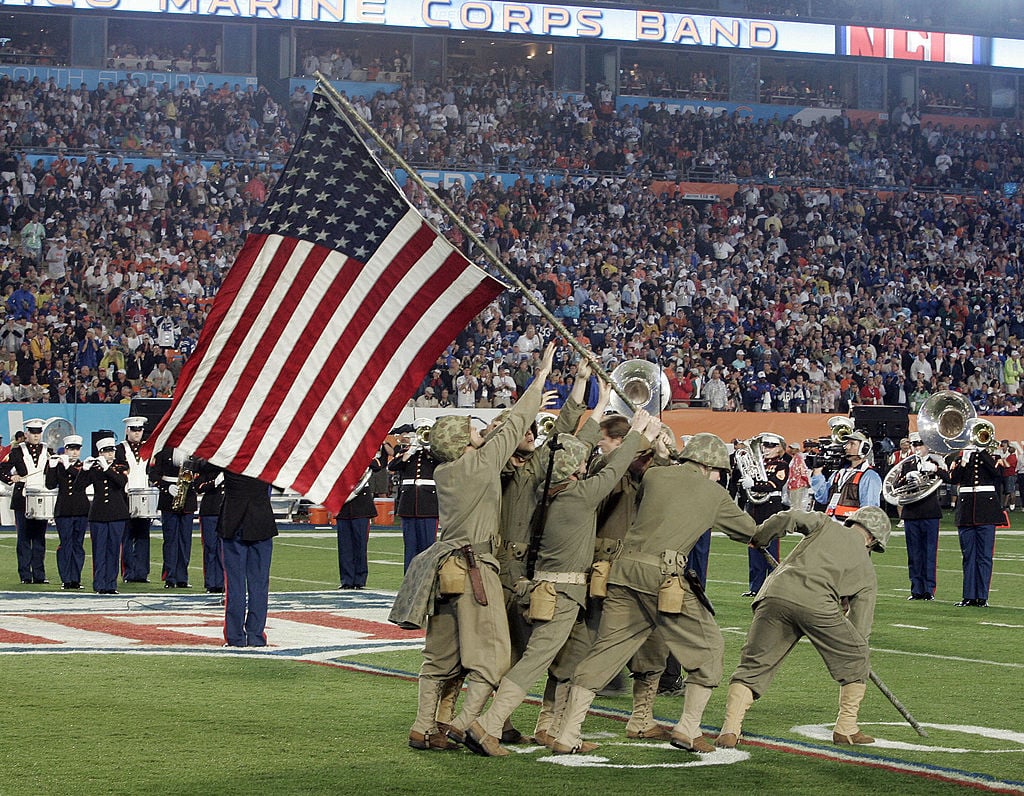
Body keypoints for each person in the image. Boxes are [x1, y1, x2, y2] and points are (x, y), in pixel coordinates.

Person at [464, 412, 661, 757]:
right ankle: (487, 725)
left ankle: (557, 731)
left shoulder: (552, 496)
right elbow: (614, 469)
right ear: (575, 469)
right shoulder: (578, 497)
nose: (587, 466)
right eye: (583, 462)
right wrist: (640, 433)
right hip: (564, 594)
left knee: (575, 656)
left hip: (557, 591)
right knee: (535, 661)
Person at [548, 433, 757, 755]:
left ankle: (567, 733)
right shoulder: (714, 493)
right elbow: (750, 532)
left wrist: (664, 458)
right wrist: (788, 522)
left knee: (605, 653)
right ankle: (688, 728)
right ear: (706, 465)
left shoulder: (655, 474)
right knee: (709, 649)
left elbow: (659, 489)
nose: (718, 476)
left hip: (621, 573)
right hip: (663, 578)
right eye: (717, 470)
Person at [393, 342, 554, 752]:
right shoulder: (479, 465)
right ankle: (464, 723)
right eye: (474, 430)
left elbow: (499, 432)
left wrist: (501, 421)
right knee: (496, 658)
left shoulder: (448, 470)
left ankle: (422, 727)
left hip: (445, 567)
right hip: (475, 568)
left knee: (440, 655)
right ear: (465, 442)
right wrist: (538, 381)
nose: (481, 431)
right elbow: (515, 425)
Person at [715, 506, 890, 749]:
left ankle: (730, 729)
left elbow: (790, 516)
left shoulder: (824, 523)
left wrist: (761, 536)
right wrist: (851, 650)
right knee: (856, 654)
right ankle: (846, 728)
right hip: (818, 606)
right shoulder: (867, 572)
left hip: (775, 594)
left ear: (853, 522)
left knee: (754, 665)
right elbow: (860, 628)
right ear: (872, 539)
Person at [218, 470, 278, 647]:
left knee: (235, 584)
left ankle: (236, 636)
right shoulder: (265, 454)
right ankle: (255, 635)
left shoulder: (230, 452)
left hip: (233, 521)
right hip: (261, 521)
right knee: (259, 584)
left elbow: (204, 465)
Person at [947, 442, 1003, 607]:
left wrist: (982, 451)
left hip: (986, 511)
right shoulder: (960, 457)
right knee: (968, 556)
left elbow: (997, 473)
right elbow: (954, 479)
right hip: (966, 511)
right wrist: (964, 460)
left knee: (984, 556)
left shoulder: (991, 456)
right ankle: (969, 596)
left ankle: (982, 597)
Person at [1, 418, 53, 583]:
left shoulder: (47, 450)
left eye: (38, 433)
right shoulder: (16, 451)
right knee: (23, 537)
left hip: (41, 497)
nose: (36, 436)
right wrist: (11, 478)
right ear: (27, 433)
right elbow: (1, 469)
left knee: (39, 537)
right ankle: (25, 575)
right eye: (33, 433)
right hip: (22, 497)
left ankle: (39, 574)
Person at [896, 432, 947, 601]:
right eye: (914, 445)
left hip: (930, 512)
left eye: (920, 444)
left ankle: (928, 590)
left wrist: (935, 470)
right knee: (914, 554)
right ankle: (916, 589)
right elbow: (895, 485)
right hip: (911, 512)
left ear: (927, 446)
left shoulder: (936, 461)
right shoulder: (908, 463)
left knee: (929, 552)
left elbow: (949, 478)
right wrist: (908, 478)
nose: (917, 448)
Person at [736, 433, 786, 597]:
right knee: (753, 549)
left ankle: (772, 588)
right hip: (755, 508)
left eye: (771, 446)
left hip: (770, 509)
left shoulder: (781, 465)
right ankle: (755, 587)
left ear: (779, 449)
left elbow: (774, 484)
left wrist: (754, 484)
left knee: (770, 550)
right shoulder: (759, 463)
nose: (766, 448)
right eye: (765, 445)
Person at [83, 437, 131, 595]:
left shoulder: (121, 465)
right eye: (106, 451)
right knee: (99, 550)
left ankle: (111, 584)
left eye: (112, 451)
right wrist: (84, 470)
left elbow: (121, 482)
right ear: (100, 453)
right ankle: (99, 584)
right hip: (98, 514)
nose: (110, 454)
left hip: (117, 513)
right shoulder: (95, 468)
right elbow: (78, 488)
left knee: (113, 550)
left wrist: (107, 469)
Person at [389, 422, 440, 571]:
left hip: (428, 504)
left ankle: (426, 580)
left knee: (428, 547)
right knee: (410, 547)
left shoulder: (435, 453)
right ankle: (409, 580)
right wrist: (410, 451)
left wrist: (429, 448)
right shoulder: (406, 451)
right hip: (409, 503)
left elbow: (444, 462)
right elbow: (392, 466)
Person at [150, 447, 199, 588]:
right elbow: (153, 475)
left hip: (187, 499)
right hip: (168, 499)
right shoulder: (164, 451)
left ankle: (183, 577)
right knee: (170, 540)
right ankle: (170, 577)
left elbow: (199, 472)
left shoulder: (193, 451)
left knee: (185, 541)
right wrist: (167, 487)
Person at [45, 434, 89, 590]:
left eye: (77, 449)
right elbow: (50, 485)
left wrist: (67, 466)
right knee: (65, 544)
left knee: (78, 545)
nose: (74, 452)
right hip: (63, 511)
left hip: (80, 510)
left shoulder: (84, 466)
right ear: (66, 450)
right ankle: (66, 579)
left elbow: (81, 481)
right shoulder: (58, 466)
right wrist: (51, 467)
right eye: (71, 449)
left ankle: (76, 579)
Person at [810, 431, 882, 520]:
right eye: (847, 443)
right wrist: (817, 472)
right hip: (832, 524)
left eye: (852, 444)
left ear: (864, 448)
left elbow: (869, 509)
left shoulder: (869, 476)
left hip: (852, 527)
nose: (847, 447)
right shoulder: (839, 473)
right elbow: (823, 498)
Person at [116, 416, 152, 583]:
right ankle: (129, 572)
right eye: (134, 430)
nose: (137, 433)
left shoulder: (148, 448)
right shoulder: (119, 449)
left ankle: (142, 572)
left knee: (143, 536)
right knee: (128, 536)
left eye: (139, 430)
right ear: (127, 431)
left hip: (144, 495)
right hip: (126, 496)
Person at [336, 466, 379, 589]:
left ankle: (360, 579)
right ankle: (346, 580)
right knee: (345, 547)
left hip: (361, 506)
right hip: (343, 504)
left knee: (360, 545)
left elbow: (377, 465)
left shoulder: (364, 453)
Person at [193, 465, 225, 593]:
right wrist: (214, 482)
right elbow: (198, 487)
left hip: (227, 512)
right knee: (210, 547)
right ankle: (211, 582)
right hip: (210, 510)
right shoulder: (206, 468)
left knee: (224, 548)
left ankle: (223, 582)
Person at [786, 441, 810, 511]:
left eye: (792, 448)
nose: (790, 450)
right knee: (795, 505)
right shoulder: (795, 458)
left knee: (796, 506)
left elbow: (803, 472)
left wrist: (808, 482)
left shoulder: (799, 458)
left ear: (797, 449)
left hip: (798, 485)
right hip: (793, 485)